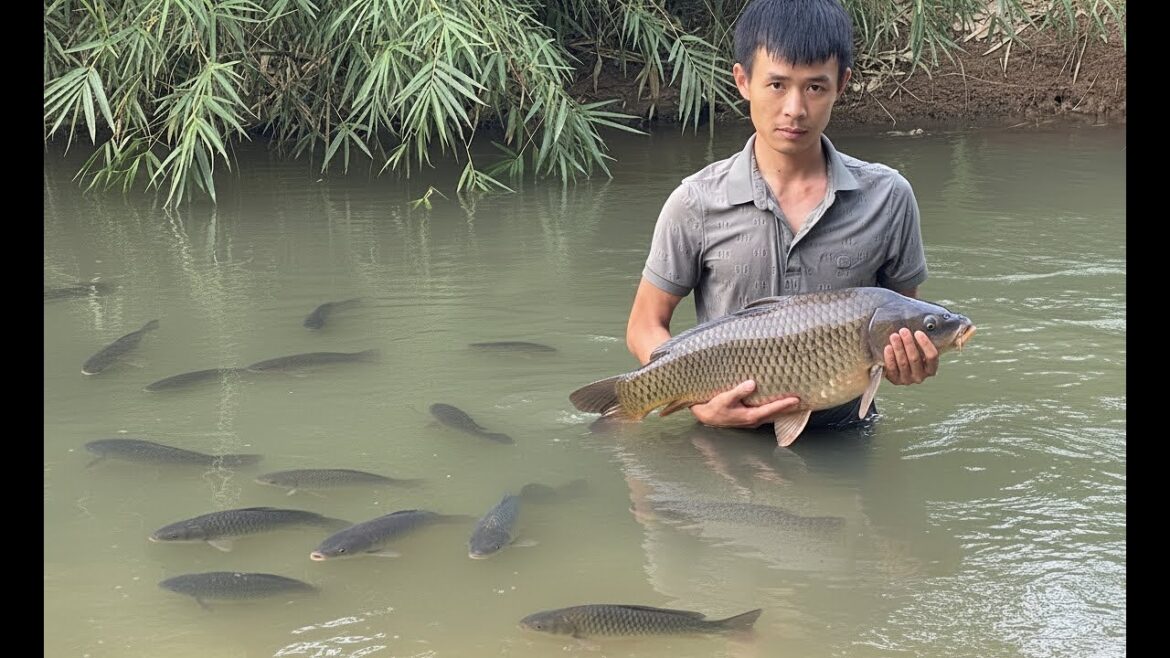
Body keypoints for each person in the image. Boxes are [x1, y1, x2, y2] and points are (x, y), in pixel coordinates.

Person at [625, 0, 939, 433]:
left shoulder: (889, 198)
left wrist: (910, 362)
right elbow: (644, 325)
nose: (795, 108)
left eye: (815, 87)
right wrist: (699, 404)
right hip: (723, 444)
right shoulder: (695, 202)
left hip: (844, 436)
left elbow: (904, 315)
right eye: (776, 84)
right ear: (743, 81)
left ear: (841, 85)